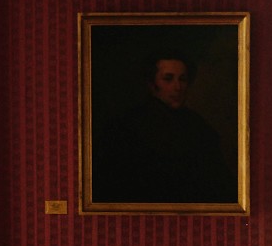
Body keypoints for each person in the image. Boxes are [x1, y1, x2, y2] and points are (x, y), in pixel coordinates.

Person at [94, 53, 237, 204]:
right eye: (168, 79)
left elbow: (219, 182)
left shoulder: (198, 126)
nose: (178, 87)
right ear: (152, 84)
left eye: (182, 79)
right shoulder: (127, 126)